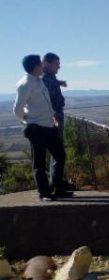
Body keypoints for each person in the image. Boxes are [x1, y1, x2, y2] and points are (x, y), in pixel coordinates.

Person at [13, 54, 72, 201]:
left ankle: (57, 187)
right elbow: (17, 108)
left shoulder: (38, 81)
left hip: (49, 125)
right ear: (35, 66)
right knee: (39, 162)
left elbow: (45, 102)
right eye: (40, 64)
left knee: (59, 155)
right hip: (37, 128)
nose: (42, 66)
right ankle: (44, 193)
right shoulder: (25, 84)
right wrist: (26, 118)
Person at [42, 52, 75, 192]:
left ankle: (56, 182)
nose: (59, 67)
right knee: (58, 152)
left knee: (57, 153)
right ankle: (57, 184)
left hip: (53, 117)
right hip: (54, 118)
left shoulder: (49, 78)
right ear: (47, 64)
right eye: (57, 64)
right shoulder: (46, 80)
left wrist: (59, 82)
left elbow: (51, 82)